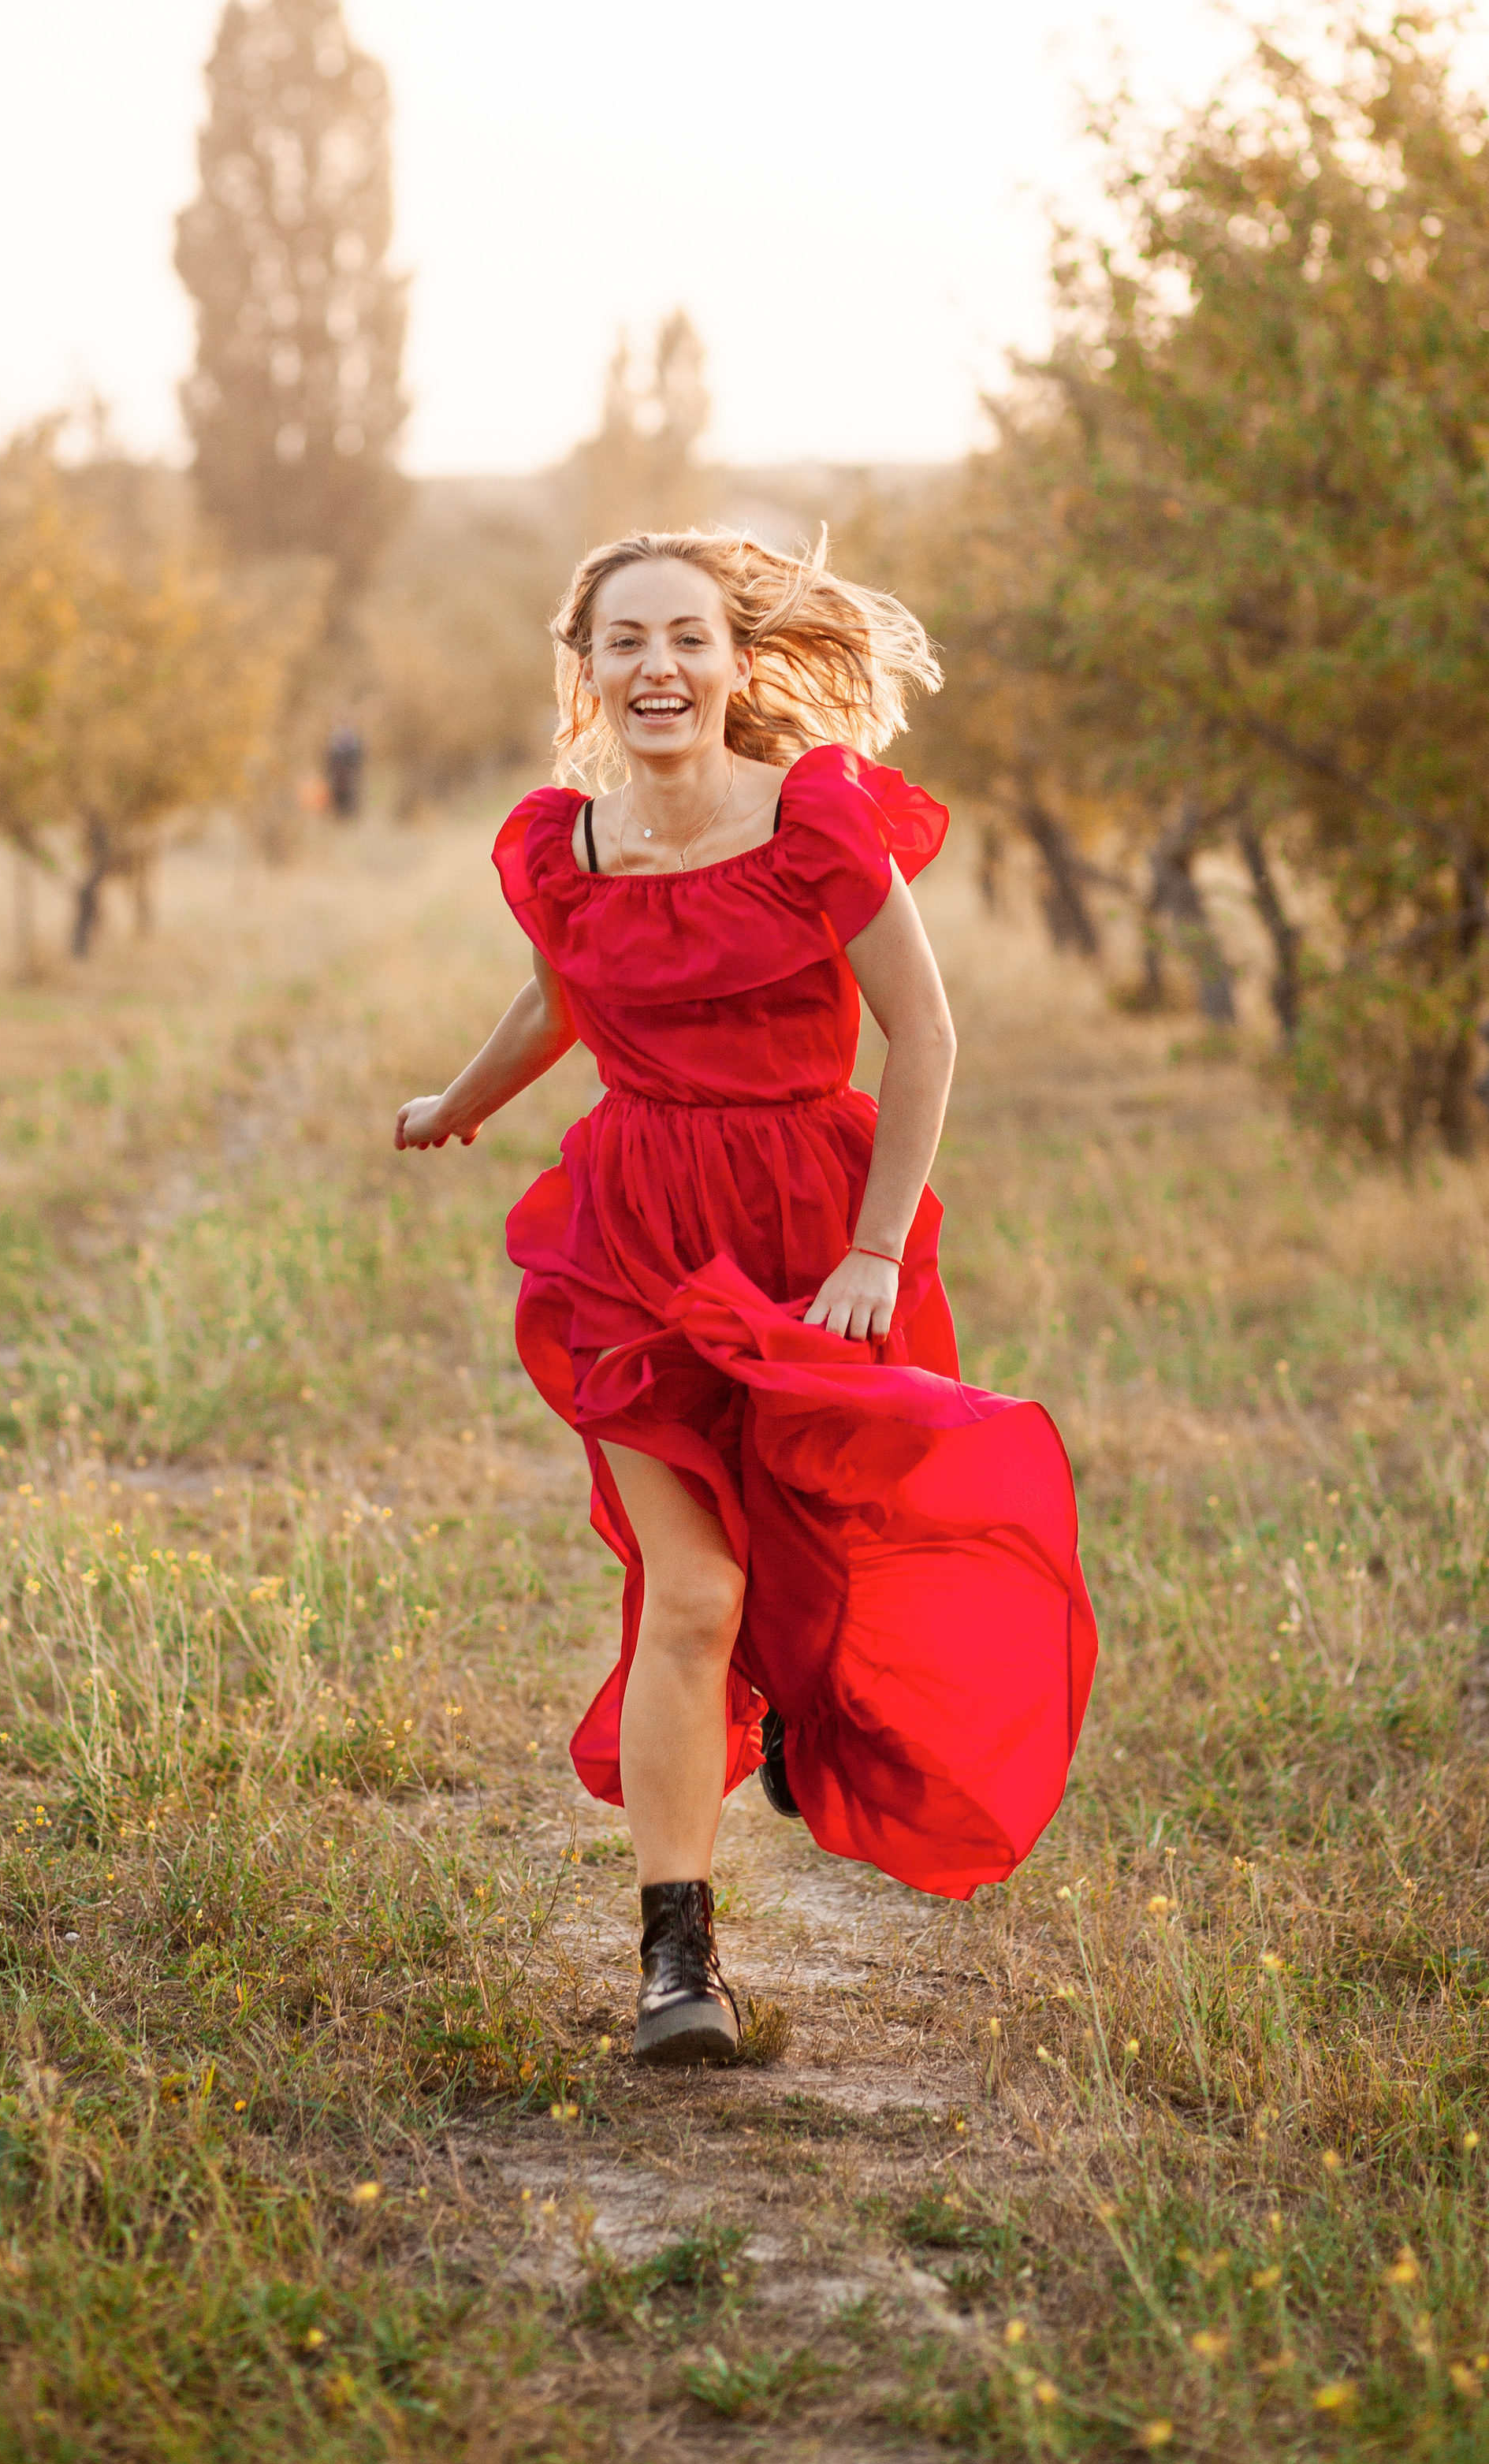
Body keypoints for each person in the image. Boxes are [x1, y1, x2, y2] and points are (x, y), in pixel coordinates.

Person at [395, 530, 1096, 2068]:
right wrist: (460, 1098)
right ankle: (675, 1965)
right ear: (583, 667)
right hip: (631, 1238)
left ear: (735, 661)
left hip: (811, 1236)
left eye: (685, 639)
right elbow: (561, 989)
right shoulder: (558, 845)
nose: (655, 668)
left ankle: (796, 1706)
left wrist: (867, 1246)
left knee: (821, 1543)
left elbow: (923, 1040)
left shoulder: (811, 823)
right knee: (694, 1586)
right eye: (623, 642)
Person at [325, 723, 365, 820]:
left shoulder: (351, 740)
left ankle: (348, 815)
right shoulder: (335, 739)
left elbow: (357, 759)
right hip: (339, 773)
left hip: (347, 772)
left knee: (349, 793)